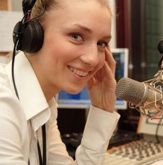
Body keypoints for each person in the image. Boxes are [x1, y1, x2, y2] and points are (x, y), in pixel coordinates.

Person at [0, 0, 120, 164]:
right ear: (33, 36)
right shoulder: (3, 103)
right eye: (76, 36)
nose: (92, 59)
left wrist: (102, 109)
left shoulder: (46, 105)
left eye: (101, 43)